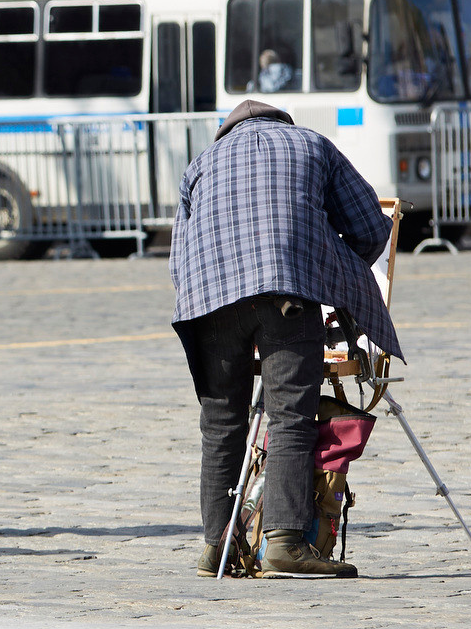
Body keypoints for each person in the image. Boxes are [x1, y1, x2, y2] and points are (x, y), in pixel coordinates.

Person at [170, 98, 401, 579]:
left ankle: (216, 546)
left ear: (227, 129)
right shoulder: (313, 145)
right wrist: (331, 267)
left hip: (209, 302)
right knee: (291, 416)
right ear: (283, 123)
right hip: (287, 293)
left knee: (220, 427)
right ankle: (284, 544)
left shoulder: (201, 164)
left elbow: (178, 259)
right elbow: (368, 227)